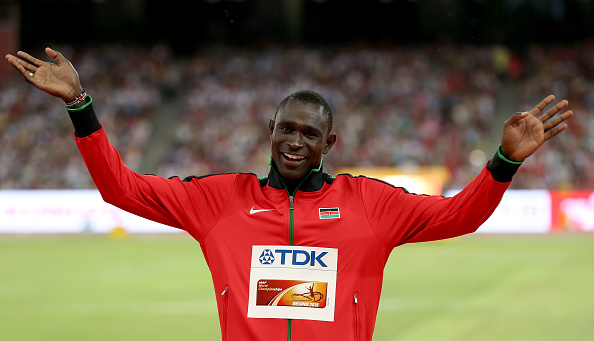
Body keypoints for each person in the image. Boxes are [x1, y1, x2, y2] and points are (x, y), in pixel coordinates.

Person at [6, 47, 573, 341]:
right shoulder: (219, 200)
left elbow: (458, 217)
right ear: (269, 132)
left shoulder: (370, 204)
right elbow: (119, 187)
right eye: (285, 129)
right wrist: (80, 107)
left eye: (308, 133)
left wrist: (503, 162)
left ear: (330, 142)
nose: (294, 142)